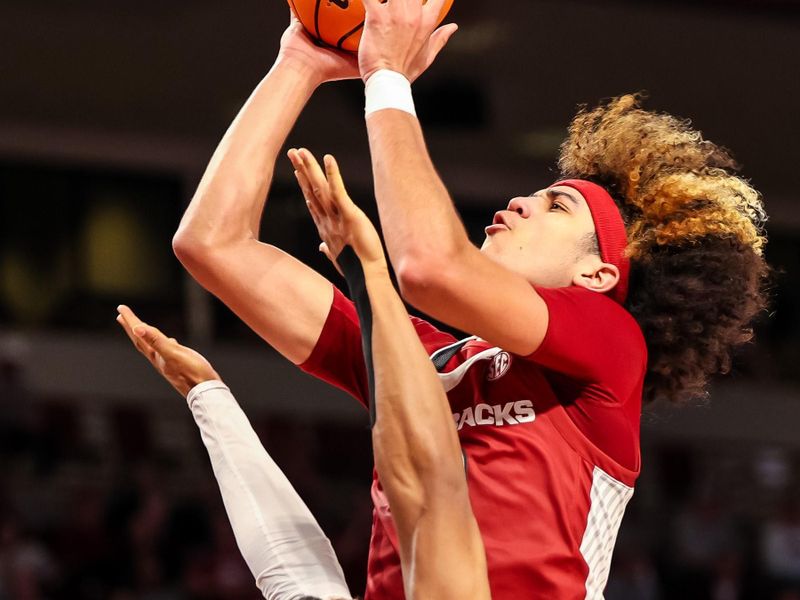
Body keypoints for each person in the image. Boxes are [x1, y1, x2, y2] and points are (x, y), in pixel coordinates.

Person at [174, 1, 768, 597]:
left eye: (556, 205)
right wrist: (298, 64)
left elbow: (428, 267)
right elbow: (213, 244)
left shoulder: (612, 347)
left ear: (598, 275)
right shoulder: (426, 360)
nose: (521, 203)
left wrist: (387, 78)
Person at [115, 153, 491, 599]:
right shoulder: (432, 357)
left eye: (556, 206)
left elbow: (296, 581)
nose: (509, 211)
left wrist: (207, 397)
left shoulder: (587, 368)